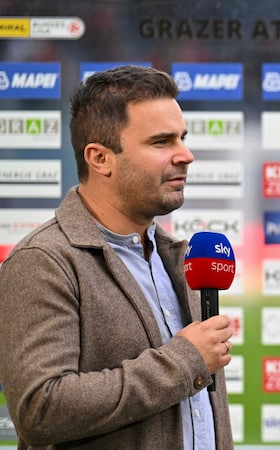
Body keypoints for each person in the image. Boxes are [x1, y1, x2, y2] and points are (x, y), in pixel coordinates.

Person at [0, 65, 234, 449]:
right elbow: (40, 409)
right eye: (162, 142)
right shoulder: (44, 260)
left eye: (183, 138)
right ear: (100, 158)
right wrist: (185, 360)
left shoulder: (179, 259)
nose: (186, 155)